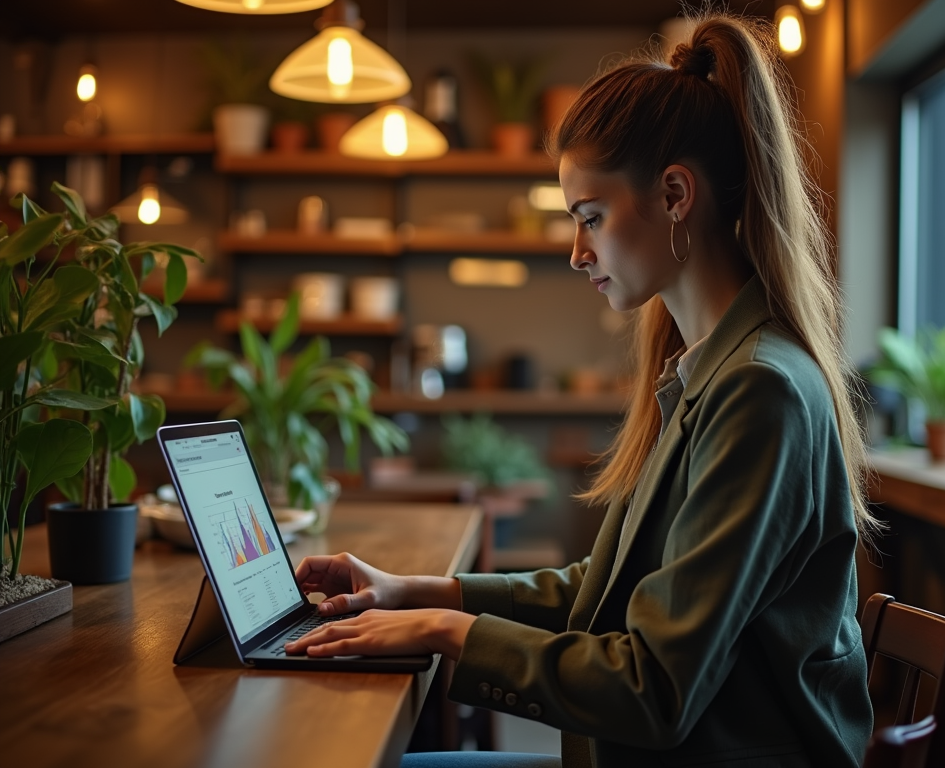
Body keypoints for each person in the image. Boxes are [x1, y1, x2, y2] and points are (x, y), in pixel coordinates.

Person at [285, 11, 876, 768]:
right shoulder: (712, 373)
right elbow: (609, 589)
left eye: (589, 217)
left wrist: (443, 632)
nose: (576, 251)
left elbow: (653, 689)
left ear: (673, 194)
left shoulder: (760, 392)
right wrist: (415, 592)